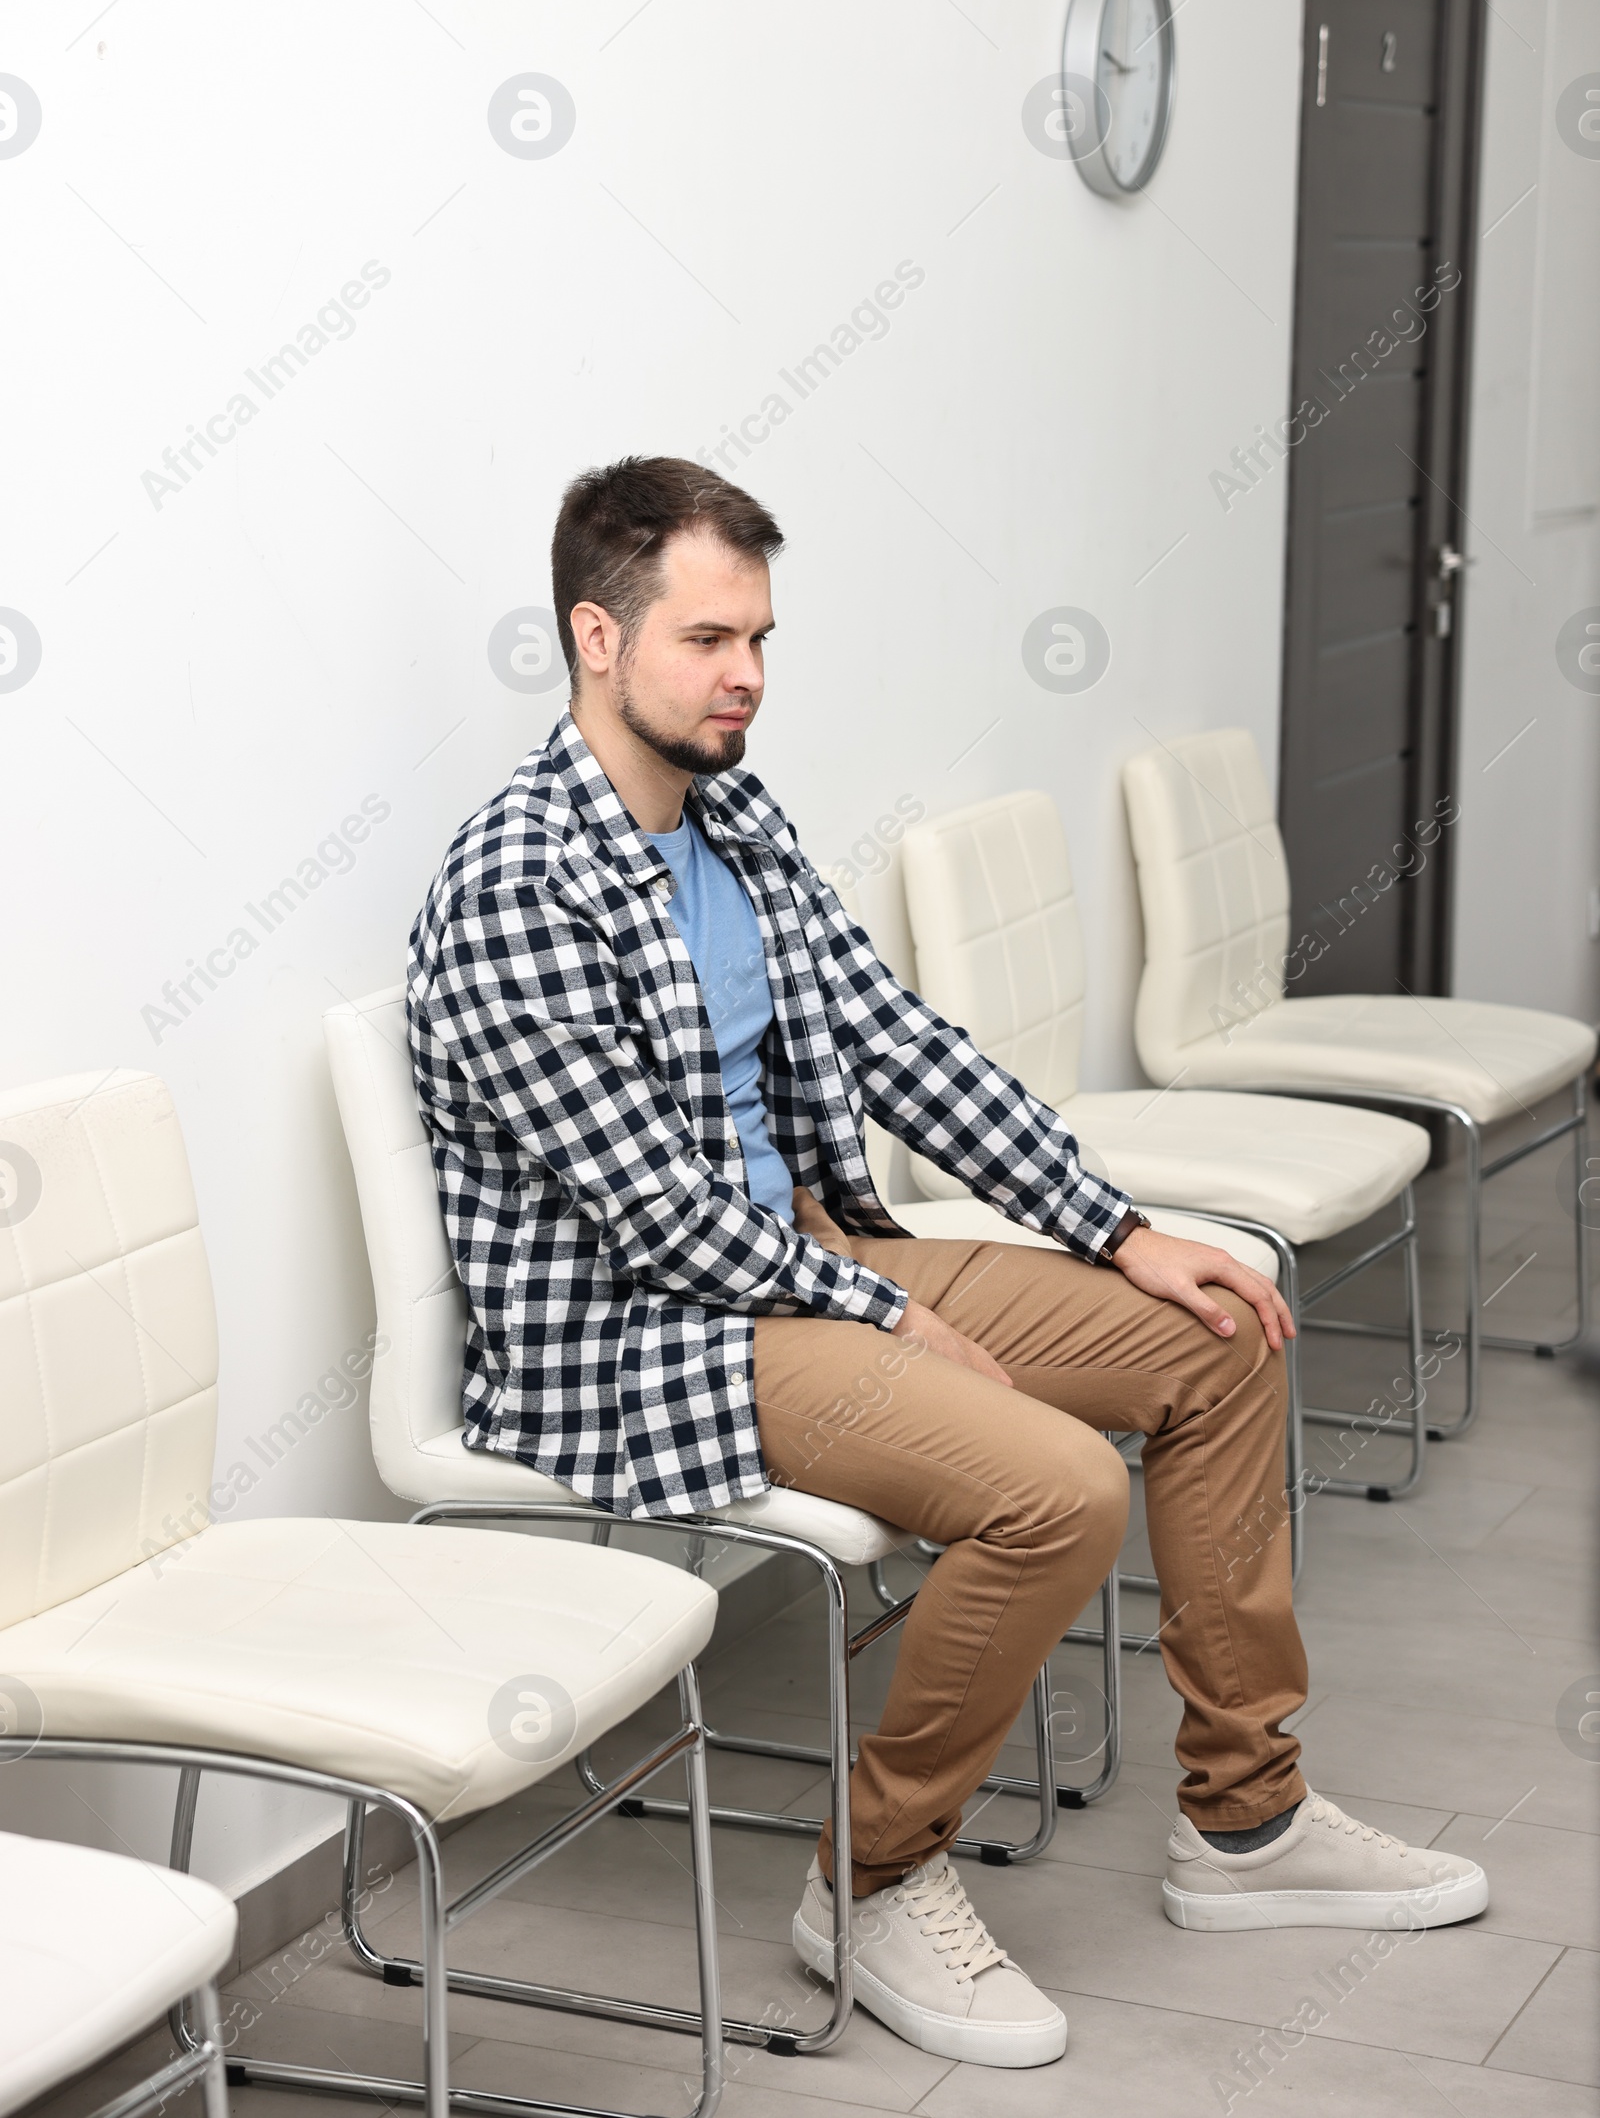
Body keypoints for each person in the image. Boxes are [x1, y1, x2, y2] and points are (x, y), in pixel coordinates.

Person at [408, 456, 1487, 2070]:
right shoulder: (514, 886)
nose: (748, 677)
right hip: (653, 1328)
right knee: (1058, 1488)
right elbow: (656, 1218)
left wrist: (1115, 1225)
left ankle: (1246, 1824)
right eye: (709, 640)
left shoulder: (734, 816)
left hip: (806, 1261)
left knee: (1222, 1337)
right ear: (594, 638)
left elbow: (897, 1042)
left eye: (761, 637)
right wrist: (888, 1311)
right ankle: (877, 1875)